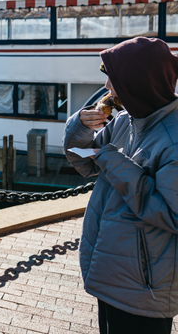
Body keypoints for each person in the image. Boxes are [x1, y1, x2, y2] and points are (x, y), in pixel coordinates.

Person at [63, 36, 178, 334]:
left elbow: (172, 214)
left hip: (144, 286)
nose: (108, 88)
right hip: (111, 270)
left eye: (114, 80)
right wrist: (79, 127)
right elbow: (86, 163)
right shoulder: (126, 120)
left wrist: (113, 161)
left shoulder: (173, 140)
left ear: (137, 84)